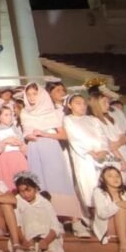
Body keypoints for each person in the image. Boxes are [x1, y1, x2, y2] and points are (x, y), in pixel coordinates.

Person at [20, 83, 81, 220]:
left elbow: (63, 135)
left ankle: (70, 218)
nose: (31, 97)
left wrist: (45, 134)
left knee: (58, 180)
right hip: (35, 149)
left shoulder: (50, 111)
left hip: (51, 148)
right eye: (28, 94)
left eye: (34, 94)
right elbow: (26, 133)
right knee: (39, 181)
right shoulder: (24, 112)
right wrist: (30, 136)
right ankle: (47, 218)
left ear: (41, 94)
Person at [62, 94, 113, 229]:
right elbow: (73, 138)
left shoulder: (93, 119)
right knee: (88, 185)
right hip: (84, 157)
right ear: (70, 105)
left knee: (104, 184)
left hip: (101, 156)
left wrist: (103, 150)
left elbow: (102, 136)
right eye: (78, 103)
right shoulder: (68, 120)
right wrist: (89, 152)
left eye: (84, 103)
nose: (82, 106)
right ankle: (93, 218)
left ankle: (108, 218)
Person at [14, 171, 65, 252]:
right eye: (21, 191)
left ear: (35, 189)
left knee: (44, 215)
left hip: (45, 236)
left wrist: (46, 240)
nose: (25, 194)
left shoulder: (44, 202)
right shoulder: (18, 201)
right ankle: (32, 247)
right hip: (26, 237)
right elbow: (17, 224)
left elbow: (54, 225)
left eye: (28, 190)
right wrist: (23, 240)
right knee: (28, 213)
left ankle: (45, 246)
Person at [0, 106, 27, 191]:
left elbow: (23, 146)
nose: (9, 117)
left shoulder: (15, 129)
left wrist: (20, 144)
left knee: (23, 183)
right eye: (6, 115)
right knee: (8, 185)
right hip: (4, 160)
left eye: (10, 115)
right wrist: (5, 141)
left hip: (18, 159)